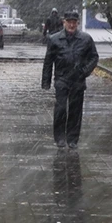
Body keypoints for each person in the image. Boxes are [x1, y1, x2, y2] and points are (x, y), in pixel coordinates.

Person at [41, 10, 99, 149]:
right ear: (64, 22)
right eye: (69, 22)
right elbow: (48, 61)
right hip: (61, 78)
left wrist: (85, 71)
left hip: (78, 79)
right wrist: (46, 81)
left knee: (75, 109)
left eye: (74, 22)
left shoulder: (86, 39)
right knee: (60, 108)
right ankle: (59, 137)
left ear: (77, 23)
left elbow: (94, 57)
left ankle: (72, 139)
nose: (71, 25)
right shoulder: (54, 39)